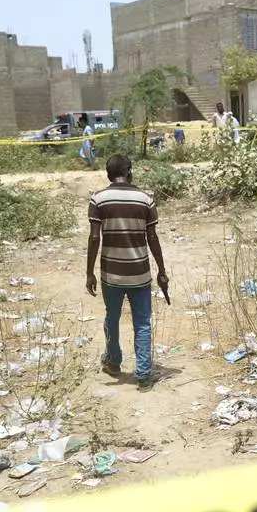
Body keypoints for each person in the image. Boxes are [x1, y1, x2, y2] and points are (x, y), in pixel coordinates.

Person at [85, 155, 169, 391]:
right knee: (142, 323)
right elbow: (152, 237)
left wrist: (89, 273)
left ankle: (113, 362)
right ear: (129, 171)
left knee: (111, 318)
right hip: (140, 273)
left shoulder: (98, 199)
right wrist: (162, 271)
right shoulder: (146, 200)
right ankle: (143, 376)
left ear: (108, 174)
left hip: (111, 274)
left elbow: (94, 237)